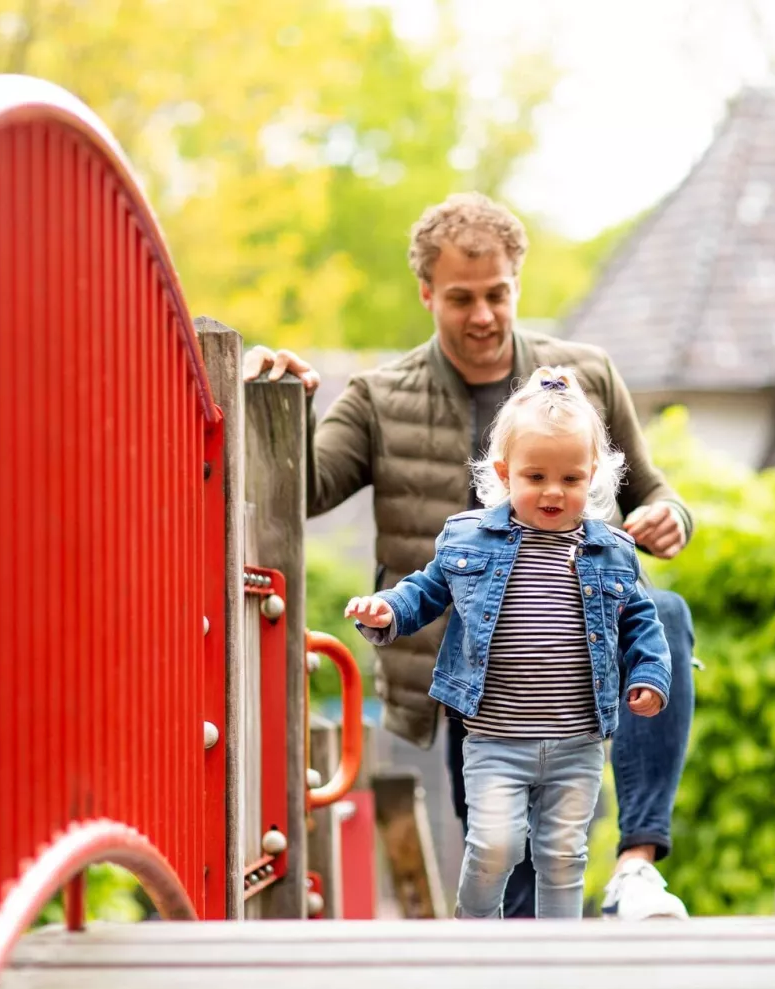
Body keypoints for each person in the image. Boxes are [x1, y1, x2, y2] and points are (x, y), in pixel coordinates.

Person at [244, 191, 696, 920]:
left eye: (497, 294)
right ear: (427, 292)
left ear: (517, 283)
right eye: (461, 298)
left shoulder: (587, 377)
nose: (483, 315)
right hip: (471, 673)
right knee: (508, 869)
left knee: (664, 618)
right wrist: (284, 404)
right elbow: (307, 489)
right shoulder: (377, 398)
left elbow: (654, 489)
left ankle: (637, 868)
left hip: (582, 638)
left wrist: (669, 516)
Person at [345, 367, 671, 918]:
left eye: (570, 480)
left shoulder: (611, 551)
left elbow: (641, 620)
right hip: (496, 741)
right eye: (535, 476)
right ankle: (476, 936)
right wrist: (386, 610)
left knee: (564, 856)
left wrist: (649, 675)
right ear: (504, 473)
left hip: (577, 742)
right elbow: (424, 593)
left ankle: (555, 960)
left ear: (590, 476)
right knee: (494, 848)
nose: (552, 491)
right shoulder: (469, 538)